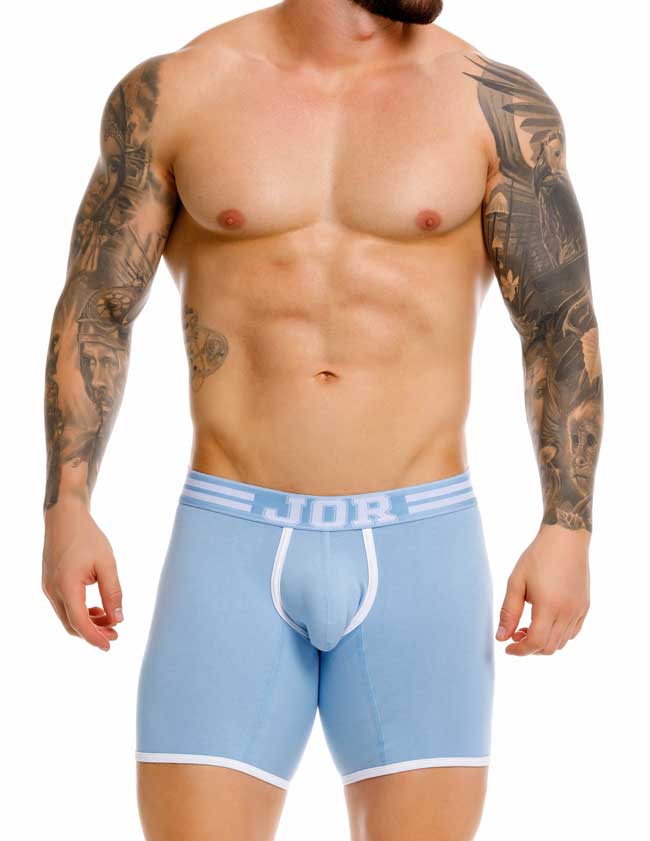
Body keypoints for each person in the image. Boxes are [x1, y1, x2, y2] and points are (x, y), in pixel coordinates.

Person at [41, 1, 602, 839]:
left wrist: (567, 526)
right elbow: (99, 304)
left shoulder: (488, 102)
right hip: (230, 540)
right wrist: (68, 505)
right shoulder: (178, 92)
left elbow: (558, 322)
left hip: (423, 546)